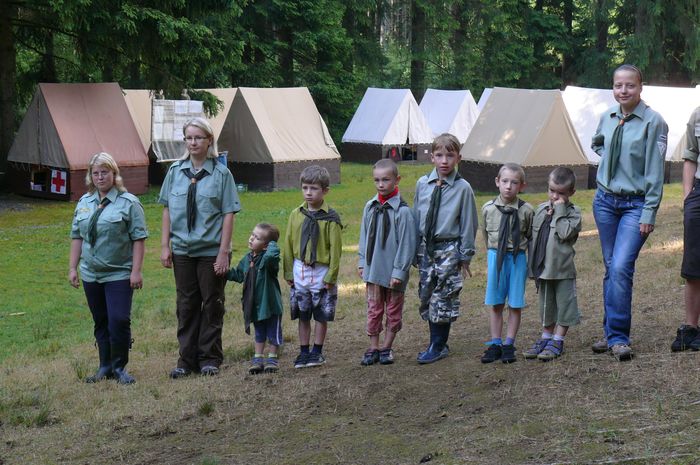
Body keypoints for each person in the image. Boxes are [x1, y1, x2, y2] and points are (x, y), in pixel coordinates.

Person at [590, 64, 668, 361]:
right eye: (618, 85)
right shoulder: (608, 116)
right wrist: (612, 160)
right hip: (605, 202)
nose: (623, 91)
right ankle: (612, 333)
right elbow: (598, 143)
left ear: (640, 87)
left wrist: (649, 211)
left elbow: (656, 171)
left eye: (630, 85)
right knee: (611, 267)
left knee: (621, 266)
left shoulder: (653, 122)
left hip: (635, 205)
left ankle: (619, 337)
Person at [159, 117, 241, 378]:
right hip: (182, 250)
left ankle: (209, 358)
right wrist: (165, 246)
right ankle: (186, 360)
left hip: (210, 251)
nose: (193, 142)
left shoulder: (221, 174)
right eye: (189, 138)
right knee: (186, 305)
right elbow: (167, 210)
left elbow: (228, 214)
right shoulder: (175, 172)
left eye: (198, 138)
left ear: (209, 141)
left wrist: (223, 252)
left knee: (212, 303)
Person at [69, 152, 148, 385]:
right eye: (95, 173)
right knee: (101, 320)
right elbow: (77, 236)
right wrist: (72, 268)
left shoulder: (129, 203)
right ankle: (104, 366)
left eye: (105, 172)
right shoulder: (84, 203)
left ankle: (119, 366)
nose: (100, 177)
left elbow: (139, 238)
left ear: (114, 174)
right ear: (90, 176)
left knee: (119, 319)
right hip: (91, 273)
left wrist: (136, 271)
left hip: (119, 273)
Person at [413, 133, 478, 364]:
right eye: (439, 155)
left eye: (450, 156)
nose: (444, 161)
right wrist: (415, 250)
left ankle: (437, 345)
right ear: (432, 157)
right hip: (426, 248)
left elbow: (469, 223)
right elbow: (416, 216)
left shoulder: (463, 188)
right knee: (426, 294)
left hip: (449, 248)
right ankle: (437, 341)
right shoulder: (423, 184)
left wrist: (465, 255)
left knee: (444, 296)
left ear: (458, 158)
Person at [357, 159, 416, 365]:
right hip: (373, 270)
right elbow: (364, 235)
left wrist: (399, 272)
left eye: (385, 180)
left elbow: (407, 244)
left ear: (397, 180)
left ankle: (386, 347)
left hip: (393, 273)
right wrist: (362, 262)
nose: (381, 184)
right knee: (374, 310)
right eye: (377, 180)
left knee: (393, 311)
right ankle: (373, 347)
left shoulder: (403, 212)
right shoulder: (370, 207)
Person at [283, 165, 342, 369]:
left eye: (314, 188)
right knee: (303, 314)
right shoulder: (295, 215)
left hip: (321, 272)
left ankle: (317, 351)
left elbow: (336, 250)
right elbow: (288, 243)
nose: (308, 192)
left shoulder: (331, 219)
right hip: (300, 270)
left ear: (325, 191)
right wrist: (288, 271)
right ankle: (303, 351)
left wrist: (331, 276)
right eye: (305, 187)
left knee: (320, 314)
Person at [523, 167, 582, 361]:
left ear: (571, 192)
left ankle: (558, 340)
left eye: (561, 193)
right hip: (543, 269)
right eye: (551, 190)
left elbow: (565, 233)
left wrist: (560, 210)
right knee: (546, 307)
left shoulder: (573, 213)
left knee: (565, 306)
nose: (555, 196)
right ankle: (546, 338)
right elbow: (532, 238)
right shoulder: (540, 209)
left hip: (563, 270)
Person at [480, 163, 534, 364]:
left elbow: (530, 236)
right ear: (497, 182)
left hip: (517, 258)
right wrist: (492, 255)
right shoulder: (488, 209)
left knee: (515, 303)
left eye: (514, 182)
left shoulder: (527, 210)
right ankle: (495, 343)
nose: (509, 186)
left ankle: (509, 344)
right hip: (496, 258)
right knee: (496, 303)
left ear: (522, 186)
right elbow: (486, 235)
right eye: (505, 181)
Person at [224, 223, 283, 374]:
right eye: (252, 234)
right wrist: (224, 272)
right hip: (255, 304)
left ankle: (272, 359)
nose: (251, 238)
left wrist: (272, 244)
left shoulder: (269, 261)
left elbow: (271, 255)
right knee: (259, 332)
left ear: (266, 245)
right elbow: (238, 275)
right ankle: (258, 359)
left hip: (270, 304)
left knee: (273, 332)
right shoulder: (247, 258)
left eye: (257, 238)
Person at [672, 105, 700, 352]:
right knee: (693, 264)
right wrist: (688, 197)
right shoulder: (698, 114)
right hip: (698, 194)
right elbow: (690, 156)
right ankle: (691, 328)